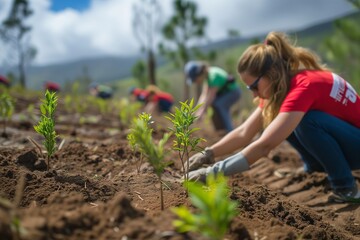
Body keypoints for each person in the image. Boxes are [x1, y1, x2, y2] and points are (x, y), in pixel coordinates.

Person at [186, 31, 360, 203]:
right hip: (351, 139)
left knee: (307, 121)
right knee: (283, 119)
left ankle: (346, 187)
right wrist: (208, 153)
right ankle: (313, 167)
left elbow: (265, 145)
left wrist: (212, 173)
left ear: (272, 73)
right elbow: (244, 132)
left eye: (254, 86)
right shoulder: (281, 86)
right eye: (250, 89)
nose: (255, 95)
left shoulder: (303, 88)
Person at [184, 61, 241, 133]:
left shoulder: (213, 76)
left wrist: (201, 112)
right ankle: (221, 130)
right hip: (226, 93)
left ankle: (230, 130)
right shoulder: (207, 76)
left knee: (220, 105)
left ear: (199, 73)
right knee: (215, 104)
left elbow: (211, 96)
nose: (196, 82)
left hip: (233, 92)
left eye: (195, 79)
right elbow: (204, 95)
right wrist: (196, 111)